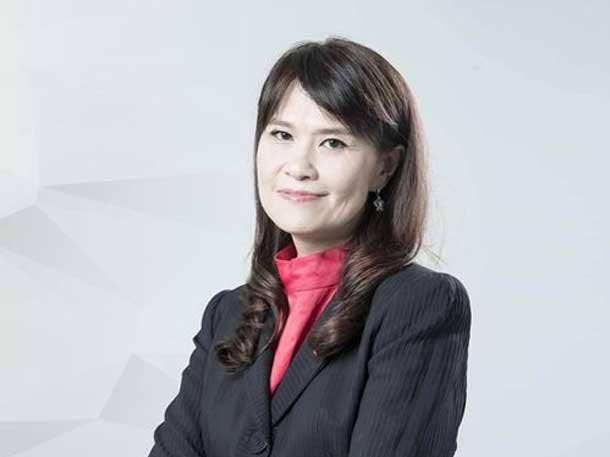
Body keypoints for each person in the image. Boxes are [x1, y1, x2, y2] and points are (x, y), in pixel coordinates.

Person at [147, 36, 471, 457]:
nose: (299, 167)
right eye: (282, 134)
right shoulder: (226, 316)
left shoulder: (417, 304)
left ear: (385, 167)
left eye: (332, 142)